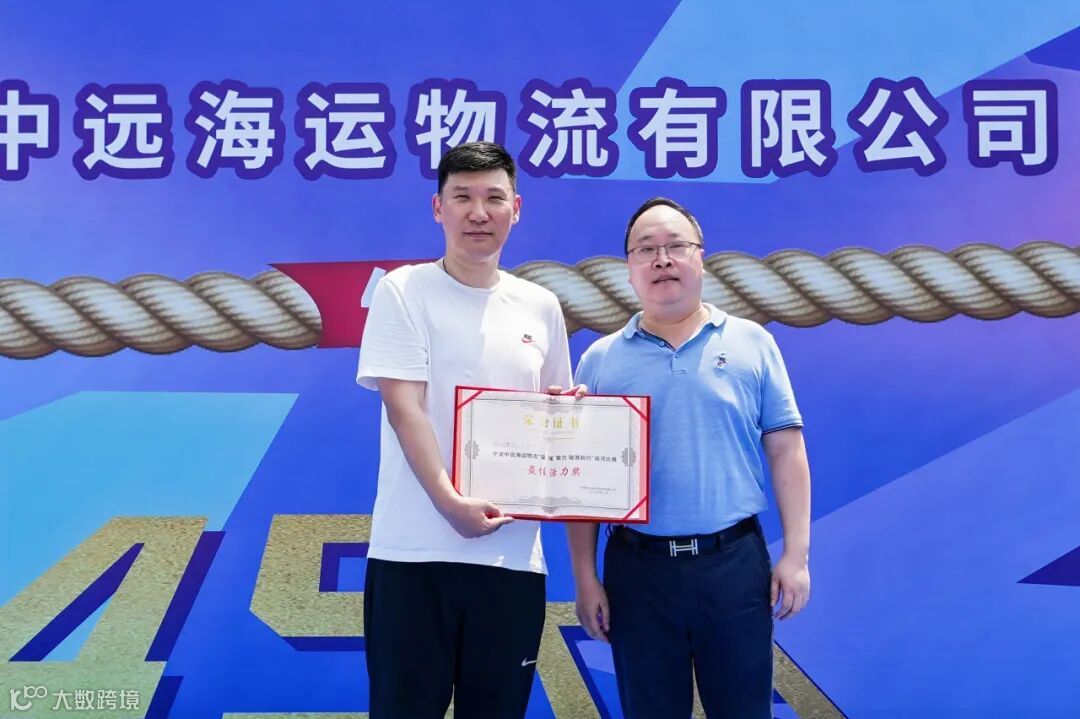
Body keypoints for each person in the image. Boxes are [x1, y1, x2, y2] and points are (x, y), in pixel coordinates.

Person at [566, 197, 811, 719]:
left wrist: (797, 555)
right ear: (629, 268)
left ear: (701, 257)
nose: (662, 259)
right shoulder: (600, 360)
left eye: (676, 246)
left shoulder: (752, 343)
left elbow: (786, 449)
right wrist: (585, 578)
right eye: (645, 249)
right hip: (638, 572)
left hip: (733, 564)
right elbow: (581, 481)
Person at [356, 141, 572, 719]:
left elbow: (555, 415)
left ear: (516, 208)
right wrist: (450, 503)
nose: (479, 212)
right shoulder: (403, 290)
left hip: (510, 560)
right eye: (462, 197)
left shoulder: (541, 306)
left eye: (494, 198)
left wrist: (568, 417)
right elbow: (405, 408)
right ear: (438, 208)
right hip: (412, 556)